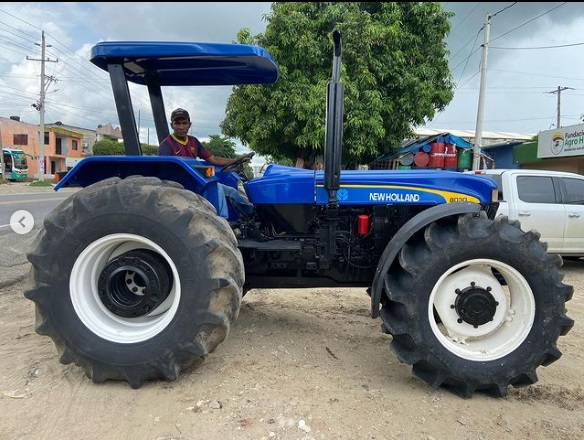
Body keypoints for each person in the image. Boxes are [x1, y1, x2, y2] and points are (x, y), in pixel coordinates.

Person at [159, 108, 254, 219]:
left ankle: (253, 215)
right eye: (177, 123)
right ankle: (223, 221)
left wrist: (236, 160)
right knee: (216, 188)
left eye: (184, 123)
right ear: (172, 125)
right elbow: (166, 169)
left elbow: (213, 159)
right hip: (183, 184)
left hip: (198, 181)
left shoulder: (193, 141)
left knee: (232, 191)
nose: (181, 127)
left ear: (189, 125)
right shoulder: (166, 144)